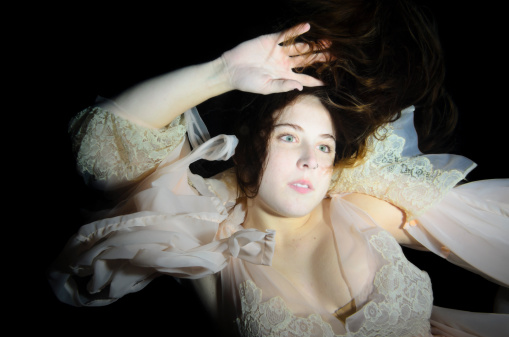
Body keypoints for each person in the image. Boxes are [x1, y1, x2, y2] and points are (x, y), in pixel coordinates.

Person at [48, 0, 509, 336]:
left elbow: (494, 226)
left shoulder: (365, 211)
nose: (311, 158)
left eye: (325, 147)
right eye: (289, 137)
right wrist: (223, 73)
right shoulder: (211, 242)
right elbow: (104, 149)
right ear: (250, 148)